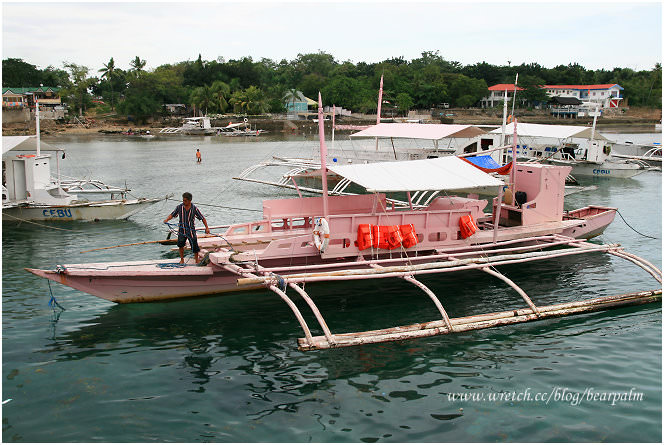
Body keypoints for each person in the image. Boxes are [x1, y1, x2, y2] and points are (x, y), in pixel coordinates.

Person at [163, 192, 210, 264]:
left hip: (191, 230)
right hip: (182, 230)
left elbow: (202, 218)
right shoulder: (179, 207)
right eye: (183, 200)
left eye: (185, 200)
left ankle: (196, 259)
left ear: (189, 200)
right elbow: (172, 214)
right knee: (180, 244)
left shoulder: (194, 209)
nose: (184, 202)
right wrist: (167, 220)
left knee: (194, 245)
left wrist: (206, 228)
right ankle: (182, 259)